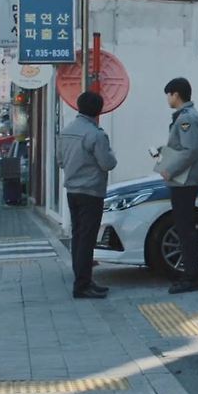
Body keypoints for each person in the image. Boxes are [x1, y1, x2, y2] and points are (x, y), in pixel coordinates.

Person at [56, 91, 117, 299]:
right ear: (98, 111)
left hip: (72, 191)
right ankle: (82, 285)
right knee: (87, 239)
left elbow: (60, 161)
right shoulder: (96, 135)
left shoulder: (66, 132)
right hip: (91, 191)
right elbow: (107, 163)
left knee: (78, 236)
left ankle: (83, 279)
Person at [157, 77, 198, 295]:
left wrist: (170, 169)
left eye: (168, 95)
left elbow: (190, 150)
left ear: (175, 94)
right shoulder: (185, 117)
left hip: (184, 181)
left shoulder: (187, 119)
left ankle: (192, 277)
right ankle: (189, 273)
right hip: (183, 180)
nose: (167, 99)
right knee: (184, 228)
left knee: (186, 230)